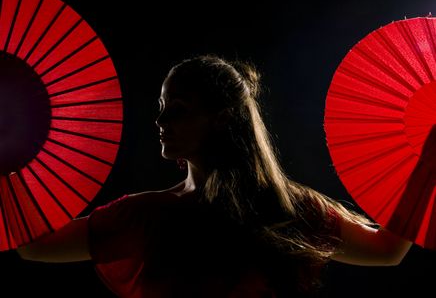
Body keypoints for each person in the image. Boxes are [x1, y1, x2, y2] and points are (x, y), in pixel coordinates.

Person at [17, 54, 415, 297]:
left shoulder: (285, 207)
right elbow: (34, 246)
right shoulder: (145, 214)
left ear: (221, 119)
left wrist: (426, 164)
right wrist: (10, 150)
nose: (160, 120)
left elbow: (387, 252)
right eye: (161, 106)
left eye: (179, 108)